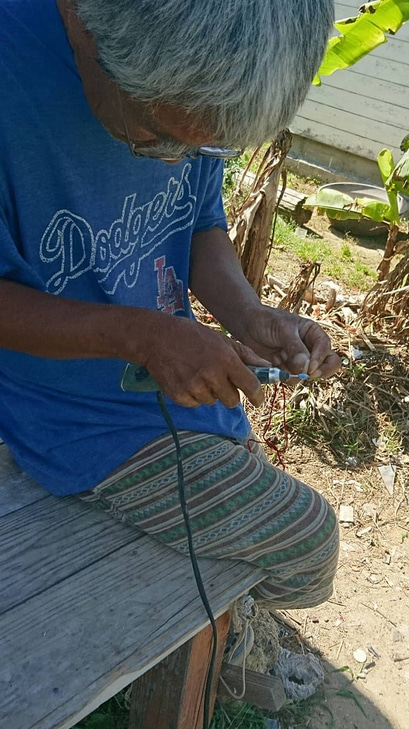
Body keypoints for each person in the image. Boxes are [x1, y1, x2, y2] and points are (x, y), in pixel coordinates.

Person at [0, 0, 340, 610]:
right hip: (67, 418)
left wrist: (246, 314)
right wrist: (143, 337)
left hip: (166, 395)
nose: (178, 163)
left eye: (204, 152)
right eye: (157, 140)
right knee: (309, 541)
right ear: (93, 37)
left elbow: (198, 219)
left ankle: (222, 631)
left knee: (249, 476)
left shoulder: (189, 82)